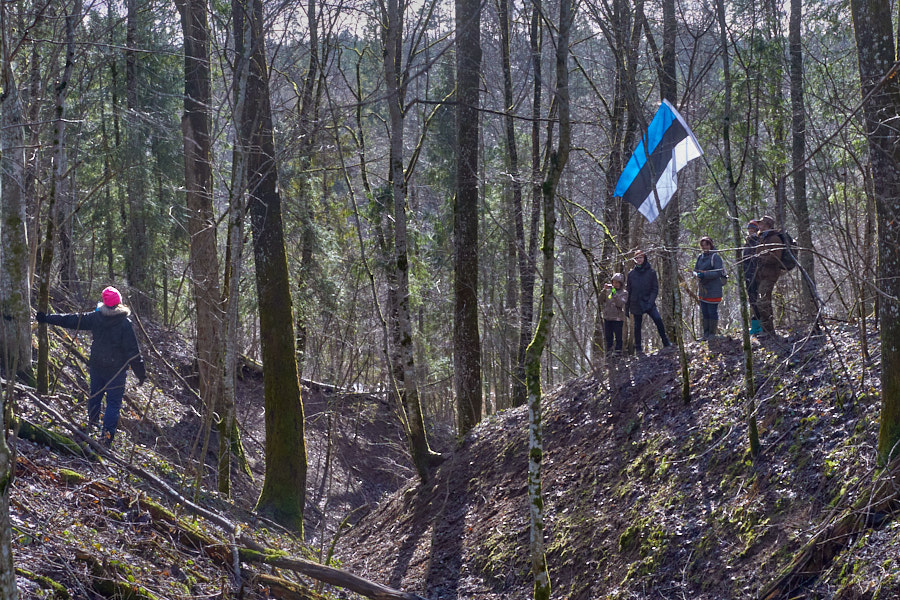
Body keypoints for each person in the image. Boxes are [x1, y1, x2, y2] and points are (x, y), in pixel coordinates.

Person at [36, 286, 146, 448]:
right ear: (119, 302)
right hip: (116, 371)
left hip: (96, 366)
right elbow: (133, 353)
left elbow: (72, 319)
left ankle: (93, 425)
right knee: (113, 404)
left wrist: (47, 318)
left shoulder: (96, 317)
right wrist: (141, 374)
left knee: (95, 395)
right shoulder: (124, 324)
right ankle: (106, 438)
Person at [626, 249, 672, 354]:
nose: (638, 260)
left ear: (644, 258)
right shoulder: (631, 274)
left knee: (658, 320)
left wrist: (650, 302)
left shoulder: (651, 272)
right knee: (637, 327)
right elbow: (628, 290)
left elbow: (655, 289)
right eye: (636, 258)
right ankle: (638, 349)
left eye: (640, 257)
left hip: (648, 302)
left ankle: (666, 342)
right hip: (636, 302)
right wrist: (627, 307)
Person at [754, 215, 785, 335]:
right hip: (761, 275)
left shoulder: (774, 239)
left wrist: (760, 257)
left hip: (770, 274)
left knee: (763, 301)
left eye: (761, 224)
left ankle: (768, 330)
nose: (759, 226)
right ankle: (767, 329)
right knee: (762, 300)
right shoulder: (763, 238)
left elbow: (776, 258)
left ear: (767, 225)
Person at [694, 236, 727, 340]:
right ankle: (706, 334)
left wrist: (704, 275)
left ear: (711, 245)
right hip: (703, 289)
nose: (704, 247)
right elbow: (696, 269)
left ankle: (712, 334)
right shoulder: (700, 257)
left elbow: (718, 272)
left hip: (714, 289)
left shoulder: (715, 257)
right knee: (704, 312)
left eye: (707, 245)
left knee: (712, 311)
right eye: (702, 245)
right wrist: (696, 275)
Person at [601, 272, 629, 354]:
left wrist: (614, 293)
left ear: (621, 283)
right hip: (607, 317)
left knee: (618, 338)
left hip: (618, 318)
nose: (615, 284)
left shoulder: (624, 293)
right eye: (614, 282)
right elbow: (600, 301)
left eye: (617, 282)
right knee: (608, 337)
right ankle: (609, 353)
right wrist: (604, 291)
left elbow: (620, 303)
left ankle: (618, 353)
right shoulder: (608, 291)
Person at [743, 220, 762, 335]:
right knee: (752, 299)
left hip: (756, 273)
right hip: (748, 274)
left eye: (752, 228)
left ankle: (762, 325)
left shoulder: (757, 241)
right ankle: (755, 325)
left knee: (758, 299)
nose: (750, 230)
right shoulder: (748, 241)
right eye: (749, 228)